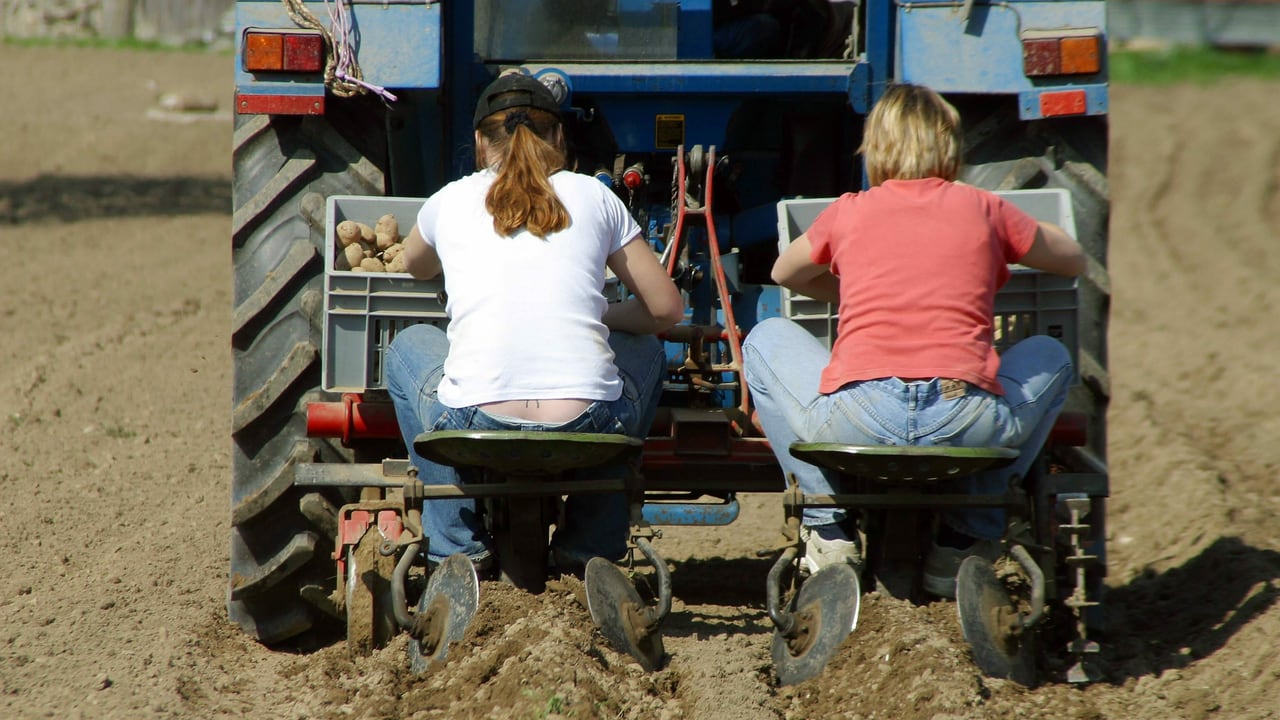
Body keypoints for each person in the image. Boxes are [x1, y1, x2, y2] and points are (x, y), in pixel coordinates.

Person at [742, 83, 1085, 598]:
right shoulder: (986, 208)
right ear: (950, 147)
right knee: (1053, 356)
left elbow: (783, 271)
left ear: (875, 150)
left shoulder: (849, 209)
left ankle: (828, 527)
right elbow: (1073, 260)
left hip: (859, 418)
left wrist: (853, 290)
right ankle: (969, 535)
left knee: (764, 338)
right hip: (965, 418)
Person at [385, 71, 684, 576]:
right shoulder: (596, 196)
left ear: (481, 143)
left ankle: (455, 546)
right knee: (647, 352)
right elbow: (666, 310)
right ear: (560, 138)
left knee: (407, 346)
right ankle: (590, 543)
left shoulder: (449, 199)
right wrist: (602, 316)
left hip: (473, 423)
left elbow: (412, 266)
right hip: (587, 424)